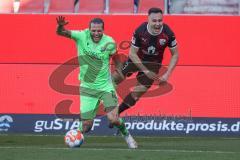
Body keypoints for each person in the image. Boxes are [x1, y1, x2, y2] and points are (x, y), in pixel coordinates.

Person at [56, 16, 137, 149]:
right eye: (93, 30)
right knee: (87, 126)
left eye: (99, 31)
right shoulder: (81, 36)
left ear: (103, 30)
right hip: (87, 88)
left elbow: (116, 58)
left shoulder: (109, 42)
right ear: (89, 29)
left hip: (106, 86)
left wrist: (120, 72)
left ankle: (127, 136)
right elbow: (61, 32)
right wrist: (60, 26)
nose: (96, 33)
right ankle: (77, 134)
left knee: (113, 119)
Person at [112, 7, 179, 115]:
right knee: (116, 77)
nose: (157, 24)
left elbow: (175, 54)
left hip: (153, 65)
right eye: (154, 21)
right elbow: (132, 54)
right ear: (148, 20)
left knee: (137, 94)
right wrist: (145, 70)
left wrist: (167, 74)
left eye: (160, 20)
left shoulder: (168, 33)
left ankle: (116, 113)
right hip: (136, 60)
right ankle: (97, 102)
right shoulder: (140, 31)